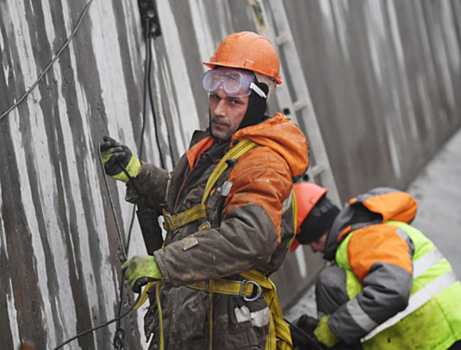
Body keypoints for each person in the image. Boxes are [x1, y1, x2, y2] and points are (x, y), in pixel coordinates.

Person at [101, 31, 309, 350]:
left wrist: (164, 263)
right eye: (215, 98)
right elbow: (198, 206)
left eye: (233, 102)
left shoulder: (263, 162)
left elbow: (250, 237)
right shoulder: (222, 147)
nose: (219, 111)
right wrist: (138, 174)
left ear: (256, 103)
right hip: (197, 316)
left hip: (226, 329)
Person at [290, 182, 461, 350]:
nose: (313, 250)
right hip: (441, 333)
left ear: (313, 232)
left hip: (444, 338)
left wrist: (334, 329)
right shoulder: (372, 232)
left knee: (329, 280)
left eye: (306, 242)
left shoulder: (366, 237)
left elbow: (393, 290)